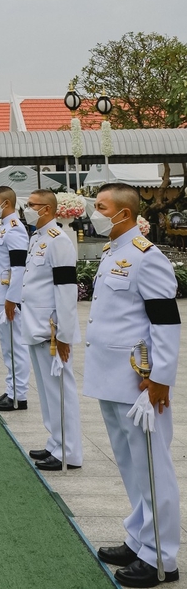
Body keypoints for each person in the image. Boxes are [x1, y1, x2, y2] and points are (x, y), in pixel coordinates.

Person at [85, 183, 181, 588]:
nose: (93, 212)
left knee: (151, 465)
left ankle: (162, 557)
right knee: (130, 464)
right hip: (110, 374)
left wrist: (160, 377)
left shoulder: (147, 257)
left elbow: (164, 321)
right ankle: (139, 537)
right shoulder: (113, 253)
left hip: (138, 380)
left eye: (100, 207)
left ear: (122, 213)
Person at [21, 189, 82, 471]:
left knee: (59, 390)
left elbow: (66, 290)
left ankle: (68, 452)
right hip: (35, 324)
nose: (27, 209)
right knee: (47, 391)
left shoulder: (59, 241)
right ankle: (55, 442)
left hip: (52, 329)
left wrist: (65, 334)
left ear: (46, 209)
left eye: (31, 205)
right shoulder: (38, 238)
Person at [0, 186, 30, 411]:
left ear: (6, 203)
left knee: (16, 346)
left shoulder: (15, 229)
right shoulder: (4, 228)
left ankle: (18, 396)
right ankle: (12, 389)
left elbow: (19, 267)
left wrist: (12, 299)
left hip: (8, 297)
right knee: (7, 346)